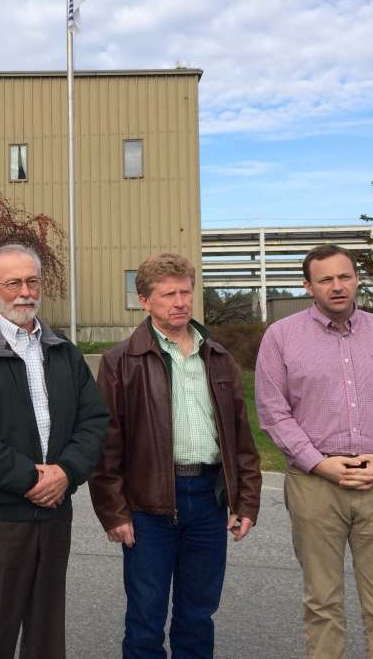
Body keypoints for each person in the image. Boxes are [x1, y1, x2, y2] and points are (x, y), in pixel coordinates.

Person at [255, 244, 373, 659]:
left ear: (356, 279)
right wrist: (320, 463)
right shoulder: (281, 338)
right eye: (325, 279)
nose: (337, 286)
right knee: (322, 605)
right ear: (308, 286)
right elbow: (273, 414)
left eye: (345, 276)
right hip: (314, 484)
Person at [89, 252, 262, 659]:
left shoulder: (218, 358)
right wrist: (114, 512)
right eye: (168, 294)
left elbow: (241, 439)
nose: (180, 302)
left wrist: (247, 500)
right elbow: (105, 447)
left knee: (198, 615)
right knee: (146, 620)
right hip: (148, 505)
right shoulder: (120, 362)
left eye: (186, 292)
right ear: (145, 300)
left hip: (207, 499)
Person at [0, 243, 109, 659]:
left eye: (32, 281)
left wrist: (66, 473)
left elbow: (94, 421)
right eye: (13, 282)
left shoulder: (63, 352)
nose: (24, 292)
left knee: (46, 637)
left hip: (54, 518)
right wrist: (33, 479)